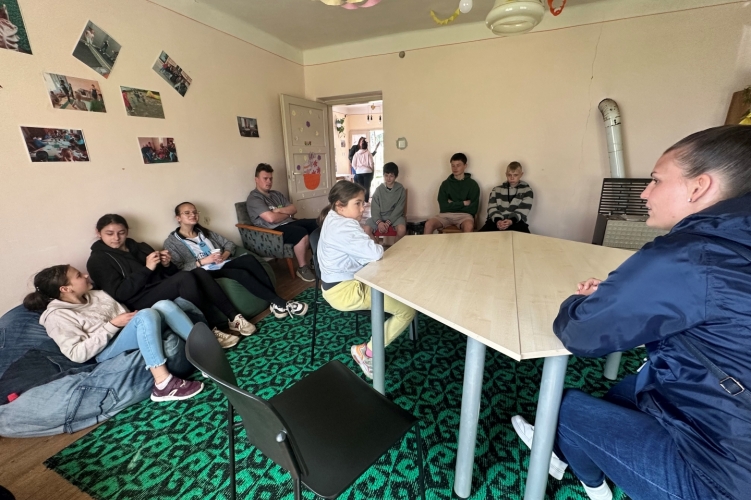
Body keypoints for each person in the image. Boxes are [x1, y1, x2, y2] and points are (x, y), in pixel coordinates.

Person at [512, 125, 751, 500]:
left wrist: (578, 301)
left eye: (656, 180)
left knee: (567, 407)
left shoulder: (688, 256)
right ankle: (565, 449)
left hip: (722, 480)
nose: (644, 192)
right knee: (627, 391)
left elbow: (581, 333)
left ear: (698, 187)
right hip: (728, 417)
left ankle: (588, 480)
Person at [24, 265, 204, 402]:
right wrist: (112, 325)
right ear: (65, 289)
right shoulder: (57, 317)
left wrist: (129, 320)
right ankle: (163, 383)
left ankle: (204, 356)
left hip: (125, 335)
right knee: (146, 315)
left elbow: (126, 318)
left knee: (163, 305)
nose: (85, 275)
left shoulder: (97, 295)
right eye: (78, 276)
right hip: (106, 351)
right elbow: (76, 354)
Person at [87, 214, 257, 349]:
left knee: (198, 272)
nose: (116, 238)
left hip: (160, 287)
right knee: (184, 277)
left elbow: (170, 273)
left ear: (127, 231)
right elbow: (120, 293)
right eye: (109, 233)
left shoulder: (140, 246)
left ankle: (234, 318)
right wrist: (147, 269)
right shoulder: (97, 260)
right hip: (137, 299)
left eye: (121, 232)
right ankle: (209, 330)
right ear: (98, 232)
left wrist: (166, 264)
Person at [317, 181, 416, 379]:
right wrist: (369, 241)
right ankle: (367, 352)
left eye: (363, 203)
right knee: (407, 311)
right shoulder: (344, 226)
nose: (363, 208)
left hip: (337, 284)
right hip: (344, 291)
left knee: (392, 280)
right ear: (340, 206)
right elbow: (375, 252)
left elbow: (363, 252)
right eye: (358, 203)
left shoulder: (333, 217)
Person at [164, 202, 308, 319]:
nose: (193, 215)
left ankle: (275, 302)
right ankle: (280, 302)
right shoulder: (172, 242)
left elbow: (229, 244)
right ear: (178, 218)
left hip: (221, 263)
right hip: (205, 272)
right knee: (241, 274)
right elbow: (179, 269)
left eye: (195, 212)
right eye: (187, 213)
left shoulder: (205, 232)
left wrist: (224, 255)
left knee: (249, 259)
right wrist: (203, 261)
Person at [246, 163, 317, 282]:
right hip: (272, 230)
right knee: (301, 232)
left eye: (270, 178)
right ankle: (302, 268)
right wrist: (287, 214)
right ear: (256, 179)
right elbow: (271, 219)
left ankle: (315, 259)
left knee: (317, 223)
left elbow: (293, 209)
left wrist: (278, 211)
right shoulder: (254, 198)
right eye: (265, 178)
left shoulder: (276, 194)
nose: (269, 181)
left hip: (288, 223)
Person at [423, 153, 480, 234]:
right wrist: (463, 203)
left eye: (458, 165)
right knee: (428, 224)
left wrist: (451, 204)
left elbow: (473, 209)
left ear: (465, 166)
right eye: (453, 165)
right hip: (445, 215)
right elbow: (443, 207)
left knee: (469, 226)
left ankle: (466, 243)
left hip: (464, 216)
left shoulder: (472, 184)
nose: (455, 168)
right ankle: (426, 243)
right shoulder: (445, 184)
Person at [479, 161, 534, 233]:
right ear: (506, 174)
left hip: (516, 221)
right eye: (509, 175)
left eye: (515, 175)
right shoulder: (496, 189)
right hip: (496, 221)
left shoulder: (527, 190)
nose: (512, 178)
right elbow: (491, 207)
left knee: (526, 238)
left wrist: (511, 221)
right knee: (478, 236)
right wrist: (498, 221)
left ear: (521, 174)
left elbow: (524, 209)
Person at [364, 162, 407, 243]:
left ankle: (395, 249)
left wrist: (388, 222)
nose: (388, 178)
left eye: (391, 176)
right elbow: (374, 207)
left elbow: (399, 208)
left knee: (402, 230)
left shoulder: (400, 189)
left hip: (395, 217)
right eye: (386, 175)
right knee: (366, 229)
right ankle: (377, 248)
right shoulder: (379, 189)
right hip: (380, 216)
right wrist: (379, 222)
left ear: (396, 176)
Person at [351, 139, 376, 204]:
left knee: (361, 188)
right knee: (367, 187)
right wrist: (371, 169)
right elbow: (371, 163)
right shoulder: (368, 153)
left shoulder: (356, 154)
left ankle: (361, 202)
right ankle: (366, 202)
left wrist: (357, 169)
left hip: (359, 172)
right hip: (368, 172)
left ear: (360, 146)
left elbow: (353, 164)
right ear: (366, 146)